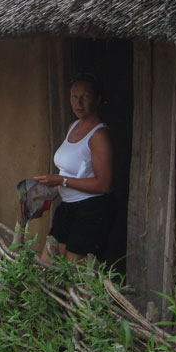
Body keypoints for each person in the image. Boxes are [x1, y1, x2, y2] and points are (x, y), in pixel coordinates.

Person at [34, 72, 115, 263]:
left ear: (97, 99)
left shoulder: (99, 135)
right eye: (74, 96)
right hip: (68, 208)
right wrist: (44, 198)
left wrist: (61, 181)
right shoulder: (73, 126)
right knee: (47, 265)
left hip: (91, 211)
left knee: (72, 274)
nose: (78, 103)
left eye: (85, 96)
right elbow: (69, 172)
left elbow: (104, 185)